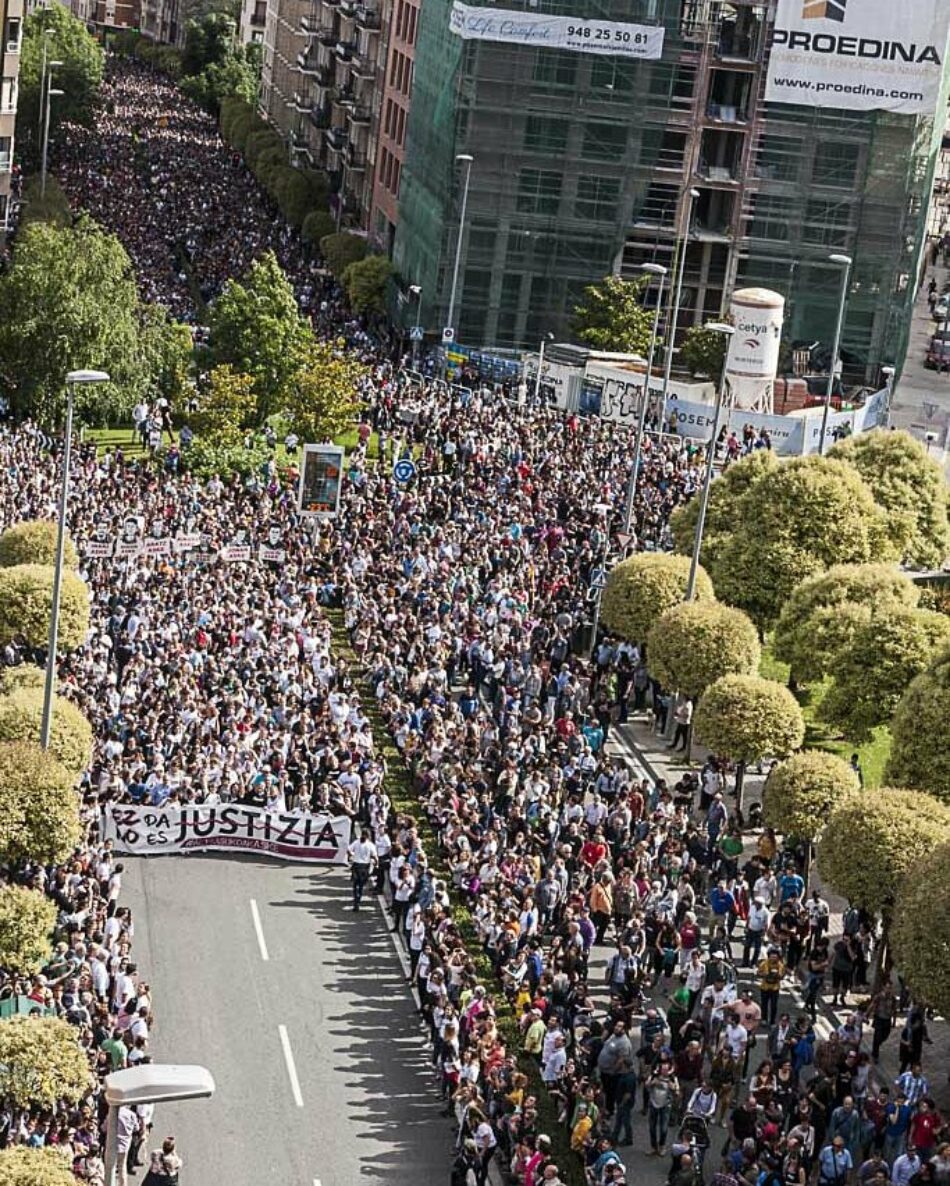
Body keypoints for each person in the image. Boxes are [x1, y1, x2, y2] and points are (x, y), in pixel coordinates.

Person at [347, 828, 377, 911]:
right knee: (361, 884)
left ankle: (356, 898)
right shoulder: (370, 845)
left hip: (356, 864)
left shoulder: (356, 842)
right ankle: (358, 898)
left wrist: (351, 856)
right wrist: (376, 863)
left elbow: (349, 850)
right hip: (364, 866)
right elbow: (374, 856)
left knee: (355, 884)